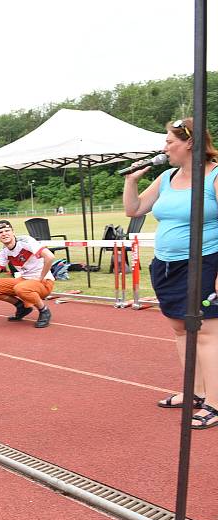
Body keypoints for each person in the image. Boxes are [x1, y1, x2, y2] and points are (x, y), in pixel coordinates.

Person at [123, 117, 218, 430]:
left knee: (206, 332)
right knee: (180, 328)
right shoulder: (166, 177)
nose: (164, 147)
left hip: (204, 263)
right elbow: (134, 210)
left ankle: (215, 403)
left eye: (169, 141)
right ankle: (196, 392)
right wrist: (131, 181)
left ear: (189, 143)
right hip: (166, 265)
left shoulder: (214, 176)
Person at [0, 220, 54, 328]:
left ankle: (44, 311)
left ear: (13, 232)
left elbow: (50, 257)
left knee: (20, 288)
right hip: (24, 280)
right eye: (0, 232)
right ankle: (21, 307)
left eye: (7, 230)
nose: (4, 234)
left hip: (43, 282)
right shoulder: (4, 251)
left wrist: (41, 277)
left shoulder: (26, 241)